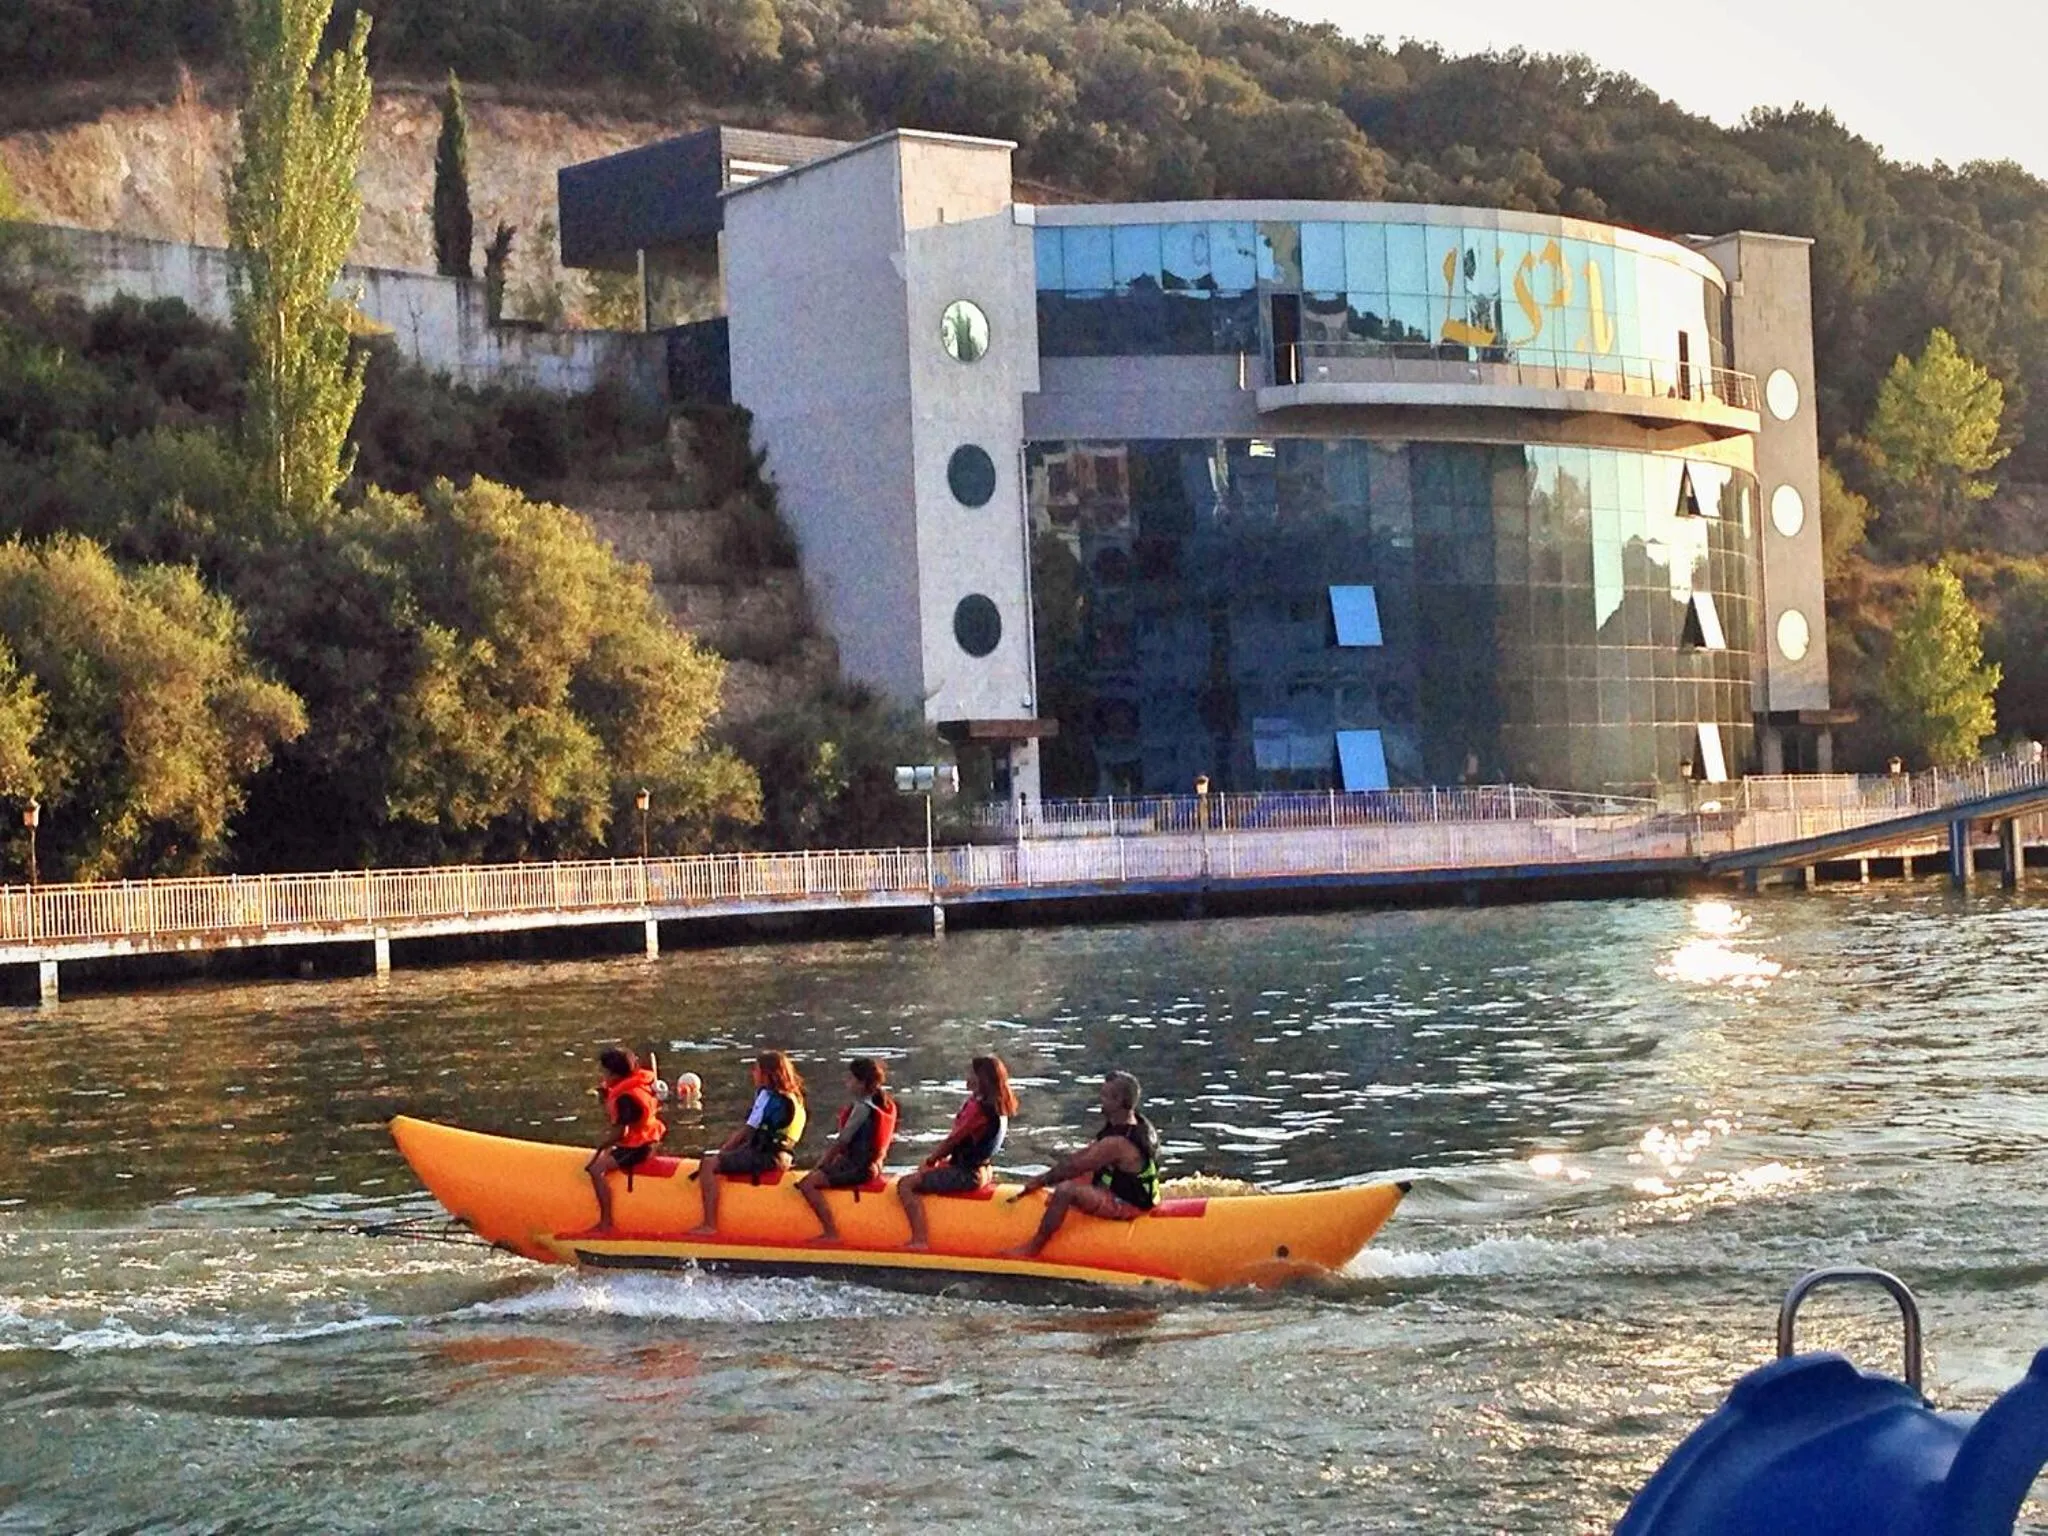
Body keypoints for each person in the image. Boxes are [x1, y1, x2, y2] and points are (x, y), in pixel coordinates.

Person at [1002, 1070, 1158, 1259]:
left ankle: (1033, 1248)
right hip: (1136, 1193)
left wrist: (1040, 1181)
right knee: (1076, 1169)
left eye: (1105, 1096)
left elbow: (1074, 1167)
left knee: (1066, 1190)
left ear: (1118, 1101)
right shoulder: (1137, 1122)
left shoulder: (1118, 1143)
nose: (1100, 1100)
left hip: (1128, 1204)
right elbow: (1087, 1156)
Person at [897, 1054, 1016, 1251]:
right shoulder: (997, 1106)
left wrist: (931, 1160)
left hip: (968, 1174)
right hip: (983, 1170)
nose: (967, 1076)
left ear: (982, 1078)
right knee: (925, 1175)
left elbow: (953, 1140)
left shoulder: (979, 1108)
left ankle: (919, 1240)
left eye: (971, 1072)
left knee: (906, 1184)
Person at [689, 1050, 807, 1234]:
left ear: (767, 1074)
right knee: (721, 1159)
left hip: (767, 1157)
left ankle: (709, 1225)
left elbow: (746, 1132)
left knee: (709, 1164)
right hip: (785, 1158)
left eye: (756, 1069)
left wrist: (722, 1153)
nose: (753, 1073)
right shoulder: (795, 1097)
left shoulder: (767, 1096)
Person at [797, 1057, 899, 1242]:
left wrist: (820, 1166)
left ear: (862, 1083)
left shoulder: (862, 1108)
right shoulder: (885, 1103)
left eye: (850, 1079)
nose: (847, 1083)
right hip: (872, 1166)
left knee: (807, 1184)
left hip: (858, 1168)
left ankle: (831, 1233)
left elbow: (841, 1142)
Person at [584, 1046, 667, 1232]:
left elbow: (620, 1133)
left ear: (613, 1073)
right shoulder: (641, 1082)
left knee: (596, 1170)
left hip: (639, 1147)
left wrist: (601, 1146)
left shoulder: (625, 1098)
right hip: (652, 1137)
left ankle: (606, 1222)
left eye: (604, 1071)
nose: (602, 1075)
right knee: (606, 1155)